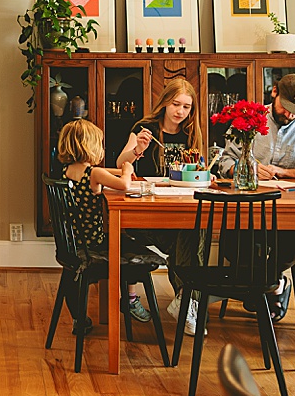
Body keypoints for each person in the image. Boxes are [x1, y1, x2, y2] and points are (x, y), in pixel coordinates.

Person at [216, 73, 295, 321]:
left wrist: (285, 172)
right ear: (274, 93)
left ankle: (263, 287)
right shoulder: (249, 119)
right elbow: (223, 160)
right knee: (231, 242)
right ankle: (276, 284)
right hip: (247, 208)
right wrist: (244, 168)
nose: (291, 114)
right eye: (287, 107)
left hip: (292, 212)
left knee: (294, 239)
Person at [114, 77, 206, 334]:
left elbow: (197, 170)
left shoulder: (191, 133)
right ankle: (188, 301)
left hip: (180, 207)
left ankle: (186, 301)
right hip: (147, 211)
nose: (180, 111)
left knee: (193, 232)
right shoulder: (146, 127)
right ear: (165, 102)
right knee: (186, 240)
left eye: (187, 107)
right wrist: (137, 150)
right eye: (176, 104)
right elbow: (121, 161)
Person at [56, 119, 157, 323]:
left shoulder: (68, 171)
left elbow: (107, 174)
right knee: (128, 242)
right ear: (90, 146)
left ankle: (79, 318)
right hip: (94, 242)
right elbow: (123, 185)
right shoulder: (94, 173)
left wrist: (118, 170)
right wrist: (127, 170)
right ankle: (130, 298)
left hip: (75, 241)